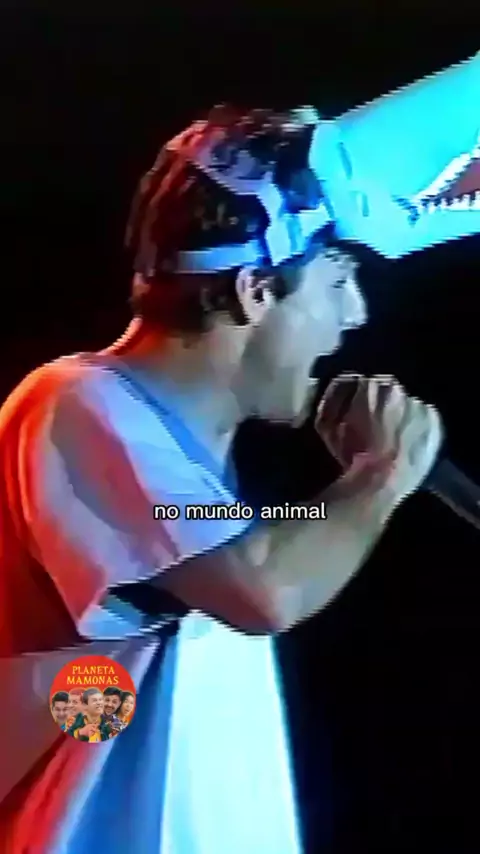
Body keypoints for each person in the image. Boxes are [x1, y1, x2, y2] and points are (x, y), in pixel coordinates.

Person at [0, 105, 443, 853]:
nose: (357, 314)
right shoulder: (75, 403)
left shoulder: (195, 478)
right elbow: (262, 590)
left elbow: (259, 546)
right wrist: (380, 475)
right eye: (338, 280)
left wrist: (339, 496)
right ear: (255, 290)